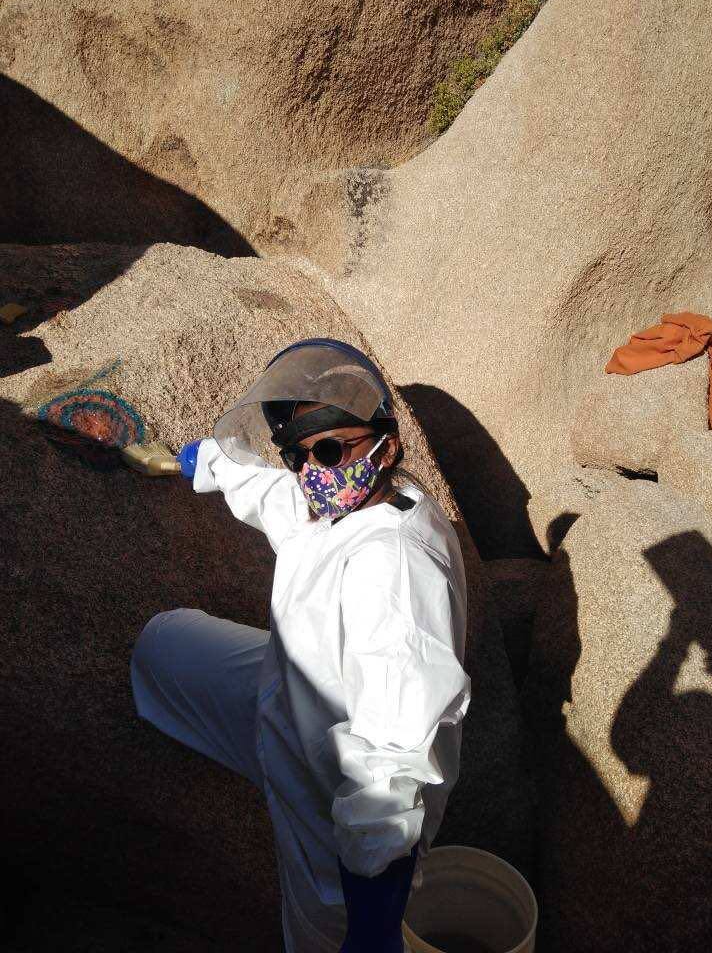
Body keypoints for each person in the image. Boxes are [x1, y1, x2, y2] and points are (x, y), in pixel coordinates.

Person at [130, 338, 472, 953]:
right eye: (297, 456)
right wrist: (207, 462)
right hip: (286, 690)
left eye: (330, 450)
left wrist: (372, 918)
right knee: (163, 643)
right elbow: (281, 501)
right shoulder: (349, 498)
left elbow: (393, 759)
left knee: (314, 930)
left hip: (329, 791)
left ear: (386, 443)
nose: (313, 472)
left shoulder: (394, 568)